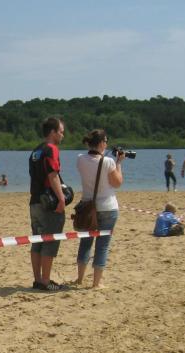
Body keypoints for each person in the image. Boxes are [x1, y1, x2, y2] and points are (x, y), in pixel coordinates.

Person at [74, 129, 122, 289]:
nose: (106, 144)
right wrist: (119, 163)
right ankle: (96, 282)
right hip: (107, 207)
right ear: (101, 143)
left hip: (88, 207)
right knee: (102, 245)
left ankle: (80, 279)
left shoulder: (80, 159)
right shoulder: (108, 162)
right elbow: (117, 183)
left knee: (85, 242)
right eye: (106, 141)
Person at [28, 117, 67, 291]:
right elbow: (53, 175)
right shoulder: (51, 149)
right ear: (52, 132)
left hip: (34, 202)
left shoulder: (35, 151)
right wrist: (61, 198)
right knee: (50, 241)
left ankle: (37, 279)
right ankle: (45, 281)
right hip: (48, 203)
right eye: (61, 132)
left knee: (37, 241)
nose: (63, 135)